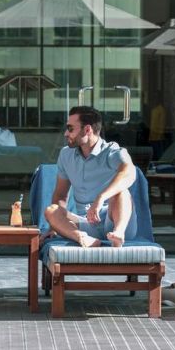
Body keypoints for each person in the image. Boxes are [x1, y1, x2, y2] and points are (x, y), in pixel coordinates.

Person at [44, 106, 135, 248]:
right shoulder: (66, 155)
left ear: (87, 130)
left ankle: (118, 234)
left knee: (122, 192)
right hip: (85, 223)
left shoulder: (113, 151)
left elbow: (129, 173)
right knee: (51, 210)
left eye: (70, 129)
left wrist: (100, 198)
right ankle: (82, 237)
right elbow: (61, 195)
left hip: (113, 219)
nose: (66, 133)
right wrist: (54, 227)